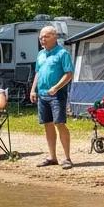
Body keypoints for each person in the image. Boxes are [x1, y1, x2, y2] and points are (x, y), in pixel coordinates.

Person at [29, 25, 75, 169]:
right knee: (47, 124)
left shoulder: (62, 53)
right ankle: (52, 157)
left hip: (57, 94)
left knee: (59, 123)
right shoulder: (40, 54)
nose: (43, 39)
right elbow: (38, 72)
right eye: (41, 37)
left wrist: (56, 87)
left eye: (46, 36)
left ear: (55, 37)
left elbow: (69, 73)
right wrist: (33, 90)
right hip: (42, 94)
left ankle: (67, 158)